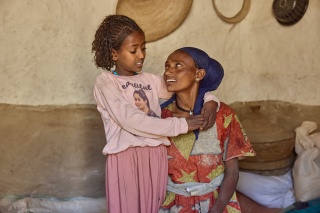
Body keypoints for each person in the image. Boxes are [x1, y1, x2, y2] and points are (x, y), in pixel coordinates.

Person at [92, 15, 220, 213]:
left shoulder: (151, 81)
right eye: (133, 50)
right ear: (114, 54)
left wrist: (211, 101)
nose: (141, 55)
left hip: (156, 155)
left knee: (154, 207)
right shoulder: (106, 82)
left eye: (143, 48)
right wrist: (183, 124)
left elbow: (187, 87)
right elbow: (129, 120)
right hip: (126, 156)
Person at [159, 47, 256, 213]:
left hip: (217, 202)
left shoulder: (223, 115)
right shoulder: (161, 117)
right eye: (167, 66)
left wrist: (217, 208)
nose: (169, 72)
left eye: (178, 66)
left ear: (199, 75)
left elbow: (232, 172)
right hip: (173, 205)